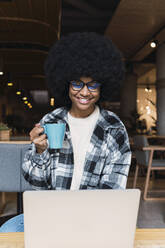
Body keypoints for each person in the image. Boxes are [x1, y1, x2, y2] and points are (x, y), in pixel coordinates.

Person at [0, 32, 131, 232]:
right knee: (7, 231)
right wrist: (40, 152)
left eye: (93, 84)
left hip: (93, 218)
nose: (85, 92)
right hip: (49, 213)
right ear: (66, 84)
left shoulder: (114, 128)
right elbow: (36, 183)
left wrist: (83, 221)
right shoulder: (50, 121)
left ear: (102, 86)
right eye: (77, 83)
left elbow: (113, 190)